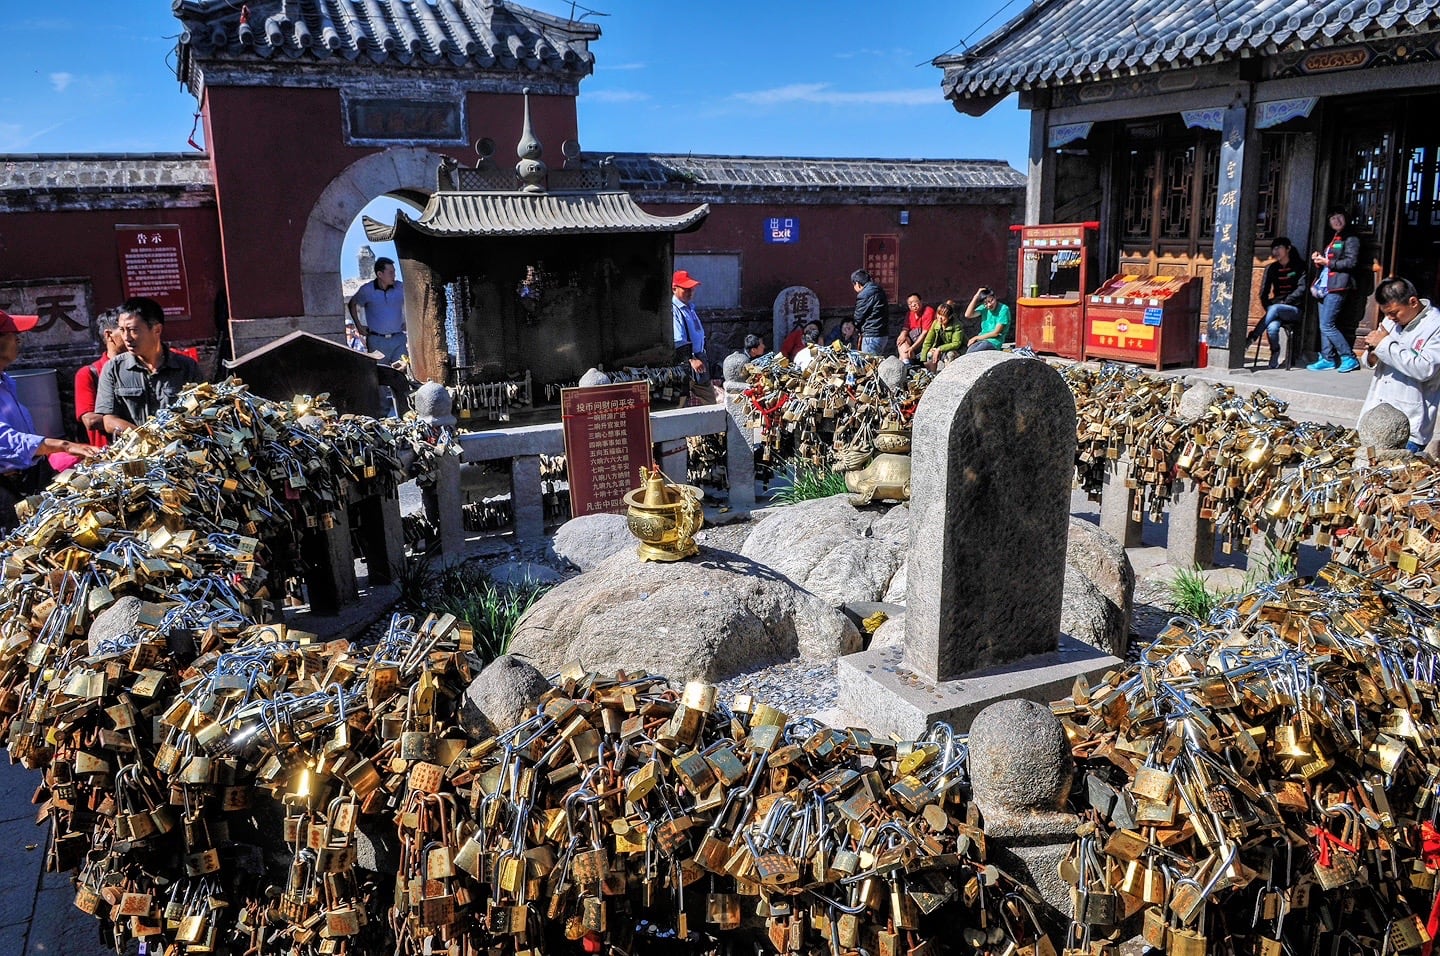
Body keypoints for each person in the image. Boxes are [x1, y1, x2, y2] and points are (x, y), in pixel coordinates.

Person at [0, 309, 99, 528]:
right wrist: (64, 445)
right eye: (11, 333)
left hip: (30, 475)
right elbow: (5, 441)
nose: (18, 338)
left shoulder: (6, 380)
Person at [94, 297, 202, 436]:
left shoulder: (187, 367)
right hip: (136, 453)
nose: (126, 337)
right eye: (122, 330)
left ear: (157, 329)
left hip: (180, 449)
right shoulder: (113, 369)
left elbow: (201, 411)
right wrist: (145, 437)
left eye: (133, 330)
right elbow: (109, 420)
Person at [1358, 276, 1440, 452]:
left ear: (1412, 302)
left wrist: (1384, 343)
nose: (1390, 318)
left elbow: (1424, 368)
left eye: (1394, 313)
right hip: (1375, 419)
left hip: (1408, 427)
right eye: (1386, 313)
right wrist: (1372, 353)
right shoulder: (1390, 321)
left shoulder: (1436, 325)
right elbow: (1374, 356)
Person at [49, 308, 124, 473]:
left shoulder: (140, 370)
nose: (130, 336)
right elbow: (89, 420)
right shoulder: (90, 373)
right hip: (107, 461)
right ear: (109, 335)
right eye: (124, 330)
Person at [1307, 206, 1363, 373]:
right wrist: (1319, 260)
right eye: (1333, 219)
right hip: (1324, 285)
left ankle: (1348, 357)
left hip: (1338, 285)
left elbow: (1351, 262)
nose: (1336, 221)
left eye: (1339, 217)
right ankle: (1327, 358)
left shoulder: (1351, 238)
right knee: (1323, 324)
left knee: (1327, 325)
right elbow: (1328, 262)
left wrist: (1328, 263)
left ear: (1345, 218)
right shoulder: (1334, 237)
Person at [1248, 237, 1308, 368]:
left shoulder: (1299, 266)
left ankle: (1251, 338)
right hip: (1276, 309)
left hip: (1294, 309)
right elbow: (1264, 292)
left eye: (1279, 248)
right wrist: (1268, 306)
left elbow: (1302, 289)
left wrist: (1285, 301)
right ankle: (1275, 351)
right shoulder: (1272, 268)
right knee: (1272, 328)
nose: (1276, 251)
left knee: (1275, 309)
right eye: (1273, 249)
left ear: (1288, 249)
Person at [347, 257, 407, 366]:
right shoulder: (367, 290)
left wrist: (408, 322)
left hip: (398, 339)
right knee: (381, 374)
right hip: (377, 341)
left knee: (403, 371)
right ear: (380, 274)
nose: (394, 275)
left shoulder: (400, 287)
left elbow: (414, 300)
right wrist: (359, 326)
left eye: (394, 272)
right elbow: (352, 304)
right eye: (391, 272)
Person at [672, 269, 713, 405]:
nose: (690, 292)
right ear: (674, 289)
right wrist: (691, 359)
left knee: (709, 401)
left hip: (699, 359)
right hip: (687, 362)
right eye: (686, 289)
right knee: (679, 402)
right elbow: (678, 340)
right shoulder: (674, 310)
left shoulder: (689, 308)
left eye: (692, 289)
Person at [851, 269, 889, 355]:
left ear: (857, 283)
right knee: (876, 362)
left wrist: (856, 328)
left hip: (871, 336)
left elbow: (858, 317)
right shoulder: (879, 290)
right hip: (882, 334)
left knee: (869, 365)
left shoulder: (864, 294)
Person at [919, 301, 964, 372]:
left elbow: (956, 343)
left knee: (950, 355)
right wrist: (923, 358)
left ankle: (947, 375)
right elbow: (928, 341)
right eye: (939, 314)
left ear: (949, 317)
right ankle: (932, 375)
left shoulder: (957, 325)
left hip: (958, 350)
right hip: (941, 349)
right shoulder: (935, 323)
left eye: (943, 316)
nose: (940, 318)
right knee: (930, 354)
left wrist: (940, 349)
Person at [964, 286, 1011, 353]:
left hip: (994, 342)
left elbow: (996, 333)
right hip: (982, 339)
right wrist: (976, 296)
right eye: (985, 303)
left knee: (972, 353)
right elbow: (967, 315)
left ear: (995, 297)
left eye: (991, 301)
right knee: (968, 352)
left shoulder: (1003, 309)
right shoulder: (984, 308)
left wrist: (976, 337)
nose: (989, 305)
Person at [896, 293, 936, 363]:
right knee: (902, 341)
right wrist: (902, 335)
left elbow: (924, 333)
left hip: (925, 343)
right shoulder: (909, 314)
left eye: (915, 302)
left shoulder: (928, 311)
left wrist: (912, 348)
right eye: (910, 303)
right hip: (912, 342)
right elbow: (905, 328)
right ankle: (906, 362)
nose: (913, 305)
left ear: (921, 301)